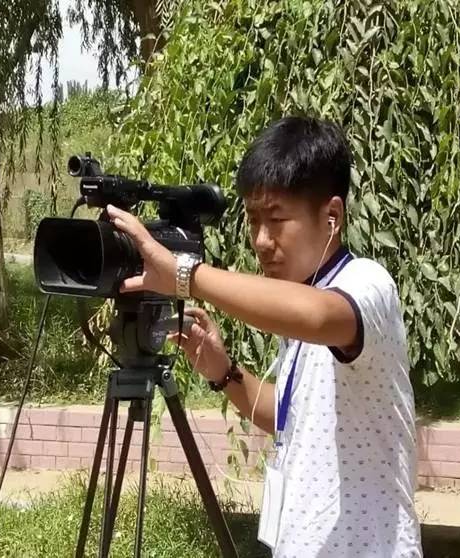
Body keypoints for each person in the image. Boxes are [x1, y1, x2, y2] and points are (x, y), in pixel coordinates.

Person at [106, 116, 423, 557]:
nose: (260, 240)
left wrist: (184, 275)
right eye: (253, 220)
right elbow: (291, 417)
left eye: (276, 220)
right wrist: (224, 372)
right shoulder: (303, 298)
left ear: (332, 216)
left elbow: (318, 316)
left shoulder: (366, 283)